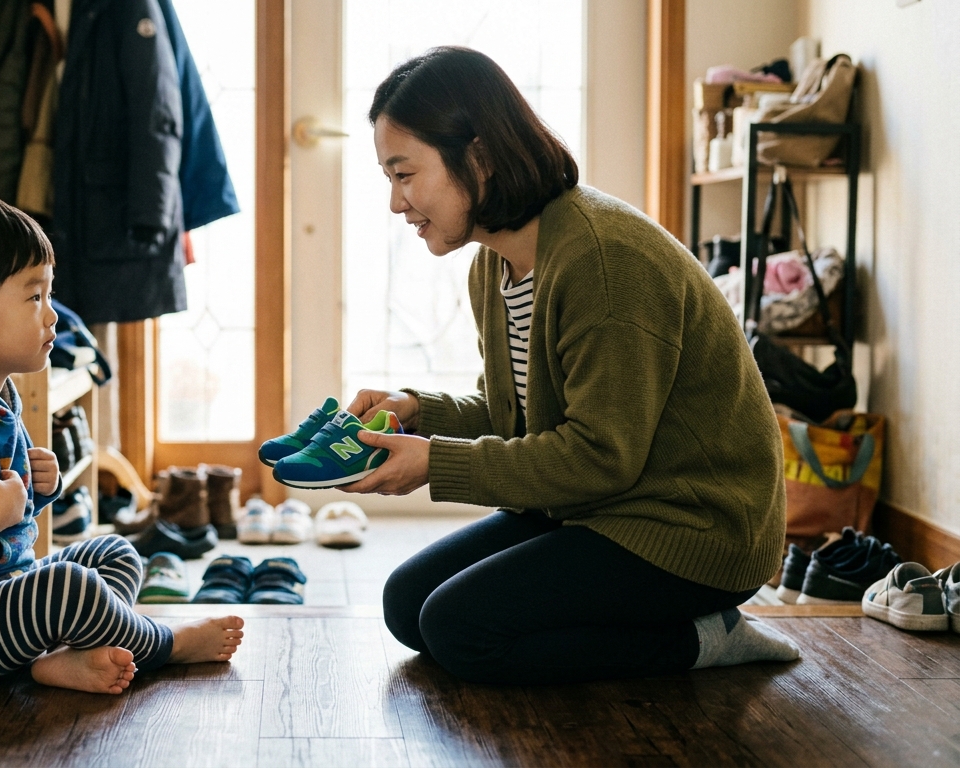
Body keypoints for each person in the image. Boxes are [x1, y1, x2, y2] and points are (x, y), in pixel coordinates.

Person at [341, 47, 799, 685]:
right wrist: (420, 413)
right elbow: (519, 417)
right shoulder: (495, 264)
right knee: (407, 608)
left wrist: (433, 463)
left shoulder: (603, 262)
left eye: (404, 174)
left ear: (478, 157)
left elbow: (599, 455)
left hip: (688, 527)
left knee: (458, 629)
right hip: (596, 506)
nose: (396, 203)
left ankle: (699, 639)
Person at [0, 195, 243, 692]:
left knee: (113, 552)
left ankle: (56, 659)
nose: (53, 316)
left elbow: (1, 500)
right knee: (68, 588)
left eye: (48, 295)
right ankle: (164, 645)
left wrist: (36, 488)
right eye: (34, 298)